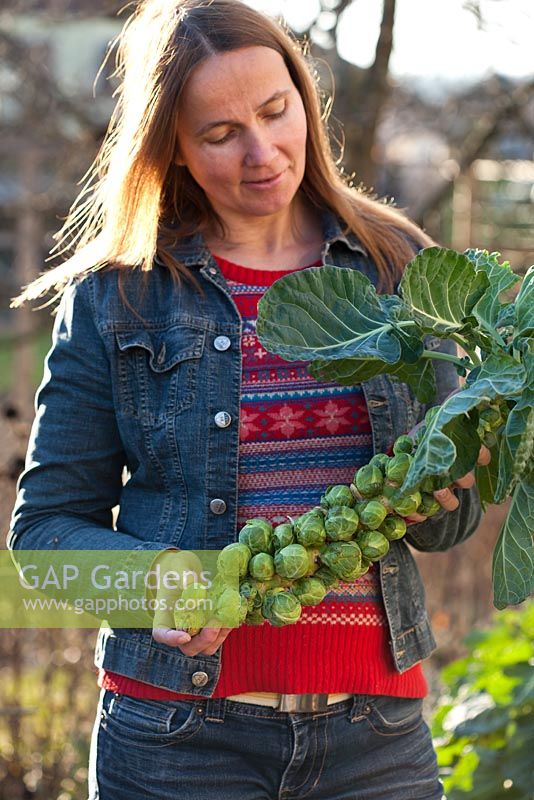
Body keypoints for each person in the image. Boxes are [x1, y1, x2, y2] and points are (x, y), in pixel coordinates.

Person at [8, 1, 490, 797]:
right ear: (175, 152)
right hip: (177, 743)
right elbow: (42, 542)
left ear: (306, 98)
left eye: (276, 111)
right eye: (220, 134)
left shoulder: (397, 267)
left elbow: (448, 522)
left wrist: (449, 487)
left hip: (375, 740)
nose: (262, 153)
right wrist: (157, 580)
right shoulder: (117, 296)